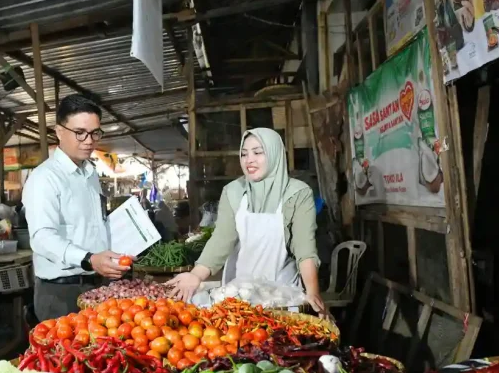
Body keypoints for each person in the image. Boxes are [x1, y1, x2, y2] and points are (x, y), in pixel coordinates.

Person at [165, 128, 327, 314]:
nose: (249, 160)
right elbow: (221, 240)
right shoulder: (233, 191)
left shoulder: (298, 193)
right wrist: (195, 275)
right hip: (239, 292)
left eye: (258, 152)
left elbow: (305, 248)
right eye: (244, 154)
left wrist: (313, 292)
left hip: (281, 293)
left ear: (275, 153)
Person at [22, 94, 130, 321]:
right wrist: (89, 259)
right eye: (80, 132)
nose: (89, 141)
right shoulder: (45, 178)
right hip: (61, 292)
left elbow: (93, 226)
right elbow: (42, 237)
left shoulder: (90, 173)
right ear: (59, 131)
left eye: (95, 133)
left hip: (95, 285)